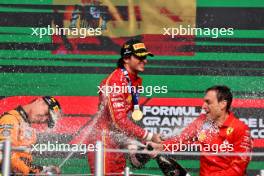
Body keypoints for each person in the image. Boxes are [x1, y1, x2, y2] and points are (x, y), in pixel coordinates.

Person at [87, 39, 161, 175]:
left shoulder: (134, 80)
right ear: (126, 58)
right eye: (140, 57)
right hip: (103, 142)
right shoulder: (115, 81)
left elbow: (128, 116)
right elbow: (119, 120)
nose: (145, 61)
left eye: (145, 57)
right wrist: (149, 136)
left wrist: (139, 143)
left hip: (117, 140)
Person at [148, 85, 252, 176]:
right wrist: (160, 147)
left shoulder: (240, 129)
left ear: (222, 104)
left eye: (208, 102)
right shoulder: (202, 121)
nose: (203, 106)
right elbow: (182, 139)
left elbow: (238, 169)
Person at [0, 96, 62, 175]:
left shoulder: (25, 125)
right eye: (46, 113)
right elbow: (4, 153)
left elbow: (23, 161)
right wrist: (28, 171)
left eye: (48, 119)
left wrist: (43, 169)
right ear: (39, 101)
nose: (44, 119)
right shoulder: (11, 119)